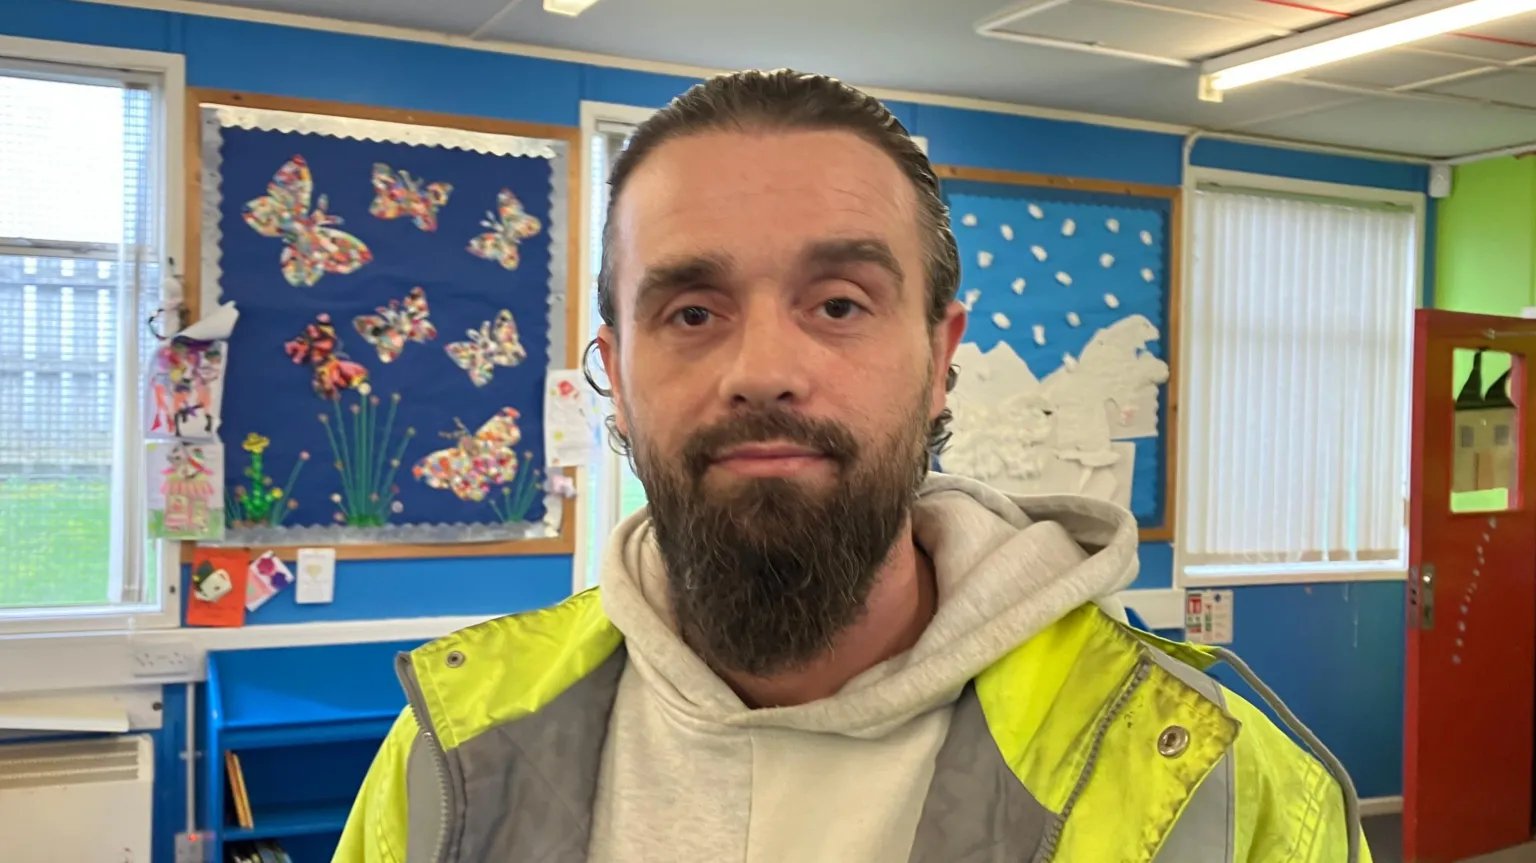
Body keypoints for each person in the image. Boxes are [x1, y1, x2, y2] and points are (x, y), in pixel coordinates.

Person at [335, 69, 1369, 863]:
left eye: (839, 304)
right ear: (614, 370)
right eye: (692, 312)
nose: (765, 371)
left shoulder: (1215, 783)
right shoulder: (449, 756)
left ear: (939, 360)